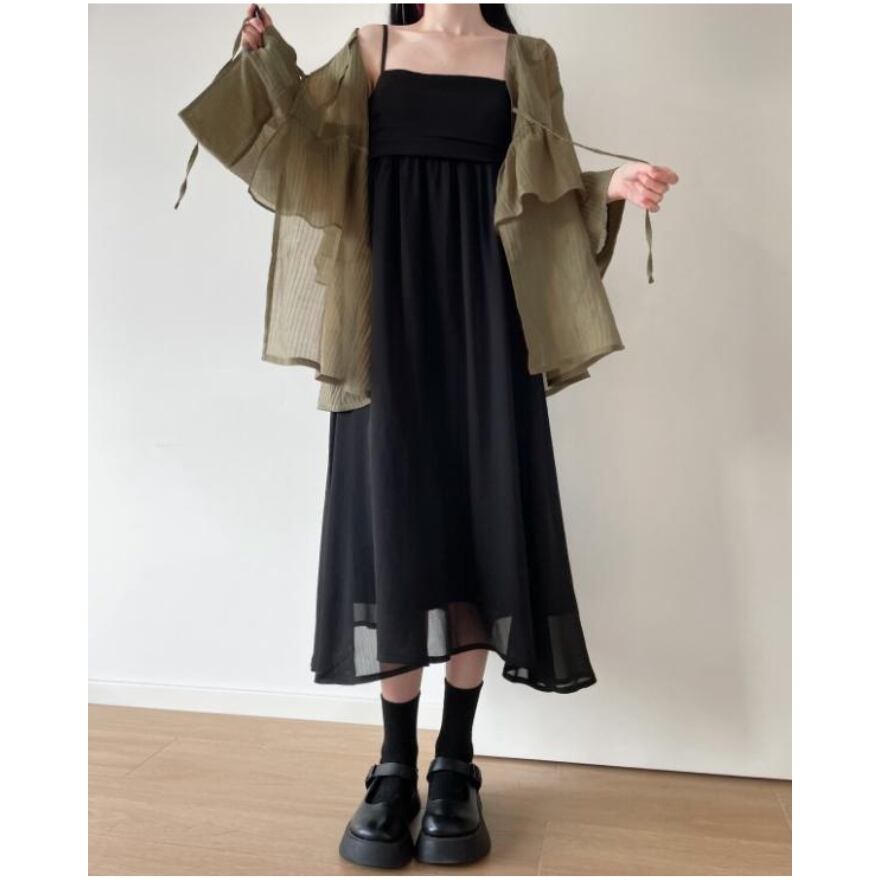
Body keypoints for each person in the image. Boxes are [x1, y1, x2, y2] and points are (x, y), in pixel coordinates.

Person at [194, 2, 678, 869]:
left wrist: (613, 186)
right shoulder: (371, 48)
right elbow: (303, 150)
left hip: (489, 320)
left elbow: (545, 184)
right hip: (387, 321)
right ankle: (393, 767)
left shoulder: (528, 57)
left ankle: (455, 762)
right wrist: (265, 65)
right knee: (394, 533)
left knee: (476, 527)